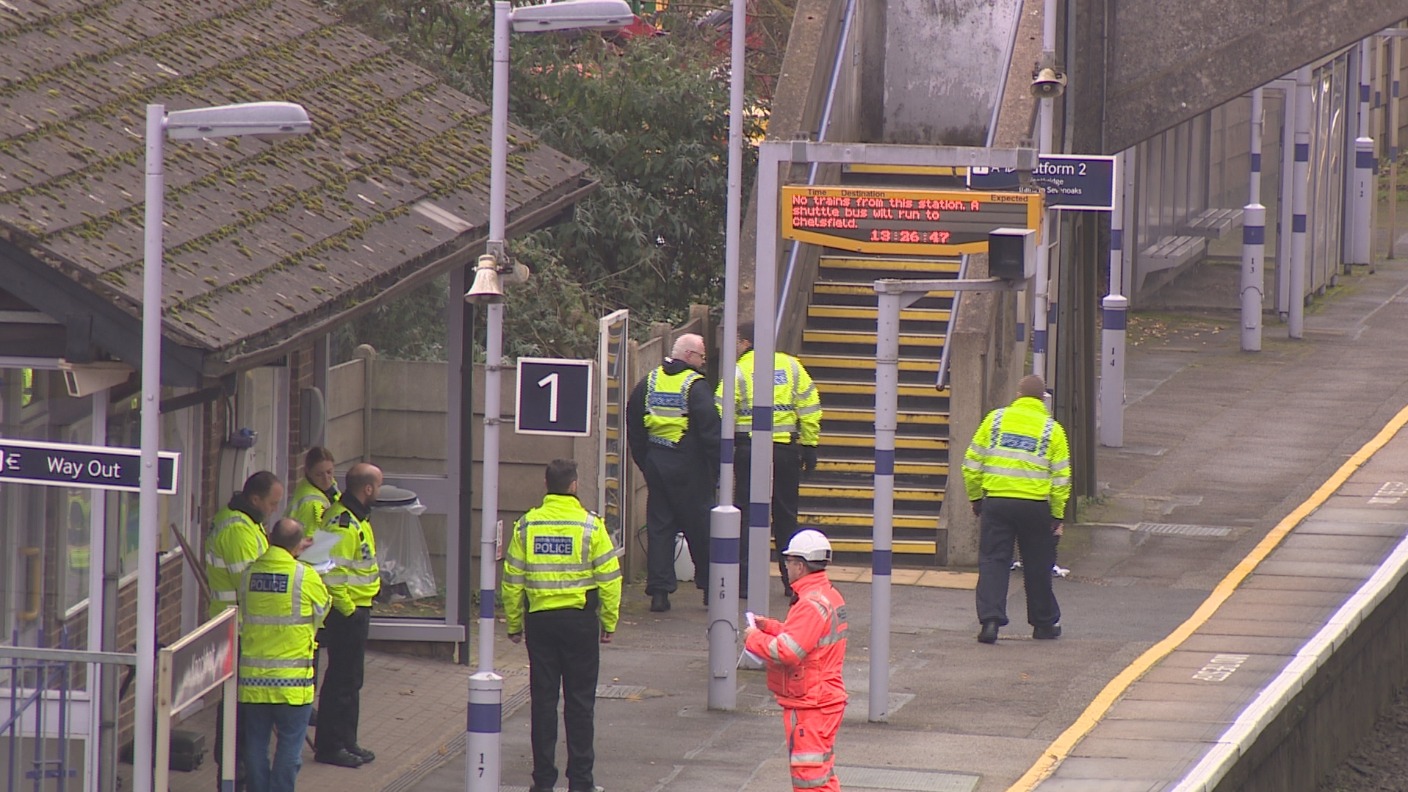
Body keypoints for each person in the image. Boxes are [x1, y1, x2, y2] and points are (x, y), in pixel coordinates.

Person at [501, 459, 622, 792]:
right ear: (574, 485)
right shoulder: (590, 526)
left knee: (543, 701)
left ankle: (542, 782)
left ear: (546, 484)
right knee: (580, 702)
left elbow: (512, 580)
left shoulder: (526, 526)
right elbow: (610, 579)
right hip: (579, 622)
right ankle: (581, 782)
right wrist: (608, 622)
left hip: (539, 621)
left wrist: (514, 623)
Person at [963, 374, 1071, 644]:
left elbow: (971, 464)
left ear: (1018, 395)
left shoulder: (995, 420)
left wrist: (977, 499)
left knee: (993, 561)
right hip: (1035, 506)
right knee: (1038, 565)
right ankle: (1043, 624)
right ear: (1042, 400)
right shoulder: (1052, 429)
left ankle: (990, 622)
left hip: (997, 502)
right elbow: (1060, 478)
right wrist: (1057, 514)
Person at [718, 321, 822, 596]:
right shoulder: (791, 367)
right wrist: (810, 445)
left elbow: (720, 410)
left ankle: (744, 581)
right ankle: (793, 582)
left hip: (748, 451)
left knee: (748, 515)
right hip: (785, 452)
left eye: (736, 341)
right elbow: (809, 407)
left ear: (745, 342)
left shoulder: (738, 370)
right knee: (786, 516)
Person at [742, 529, 848, 792]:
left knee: (810, 780)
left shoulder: (809, 604)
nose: (786, 568)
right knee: (822, 776)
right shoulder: (827, 595)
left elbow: (789, 652)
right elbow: (806, 639)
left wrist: (753, 638)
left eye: (789, 563)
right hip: (822, 700)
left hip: (811, 704)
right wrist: (772, 627)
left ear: (800, 566)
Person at [626, 333, 720, 612]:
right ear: (690, 356)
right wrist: (718, 469)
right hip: (690, 468)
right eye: (702, 357)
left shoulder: (650, 381)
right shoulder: (696, 386)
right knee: (700, 527)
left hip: (657, 462)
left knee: (660, 527)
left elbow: (634, 426)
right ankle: (709, 588)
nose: (703, 362)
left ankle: (659, 592)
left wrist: (646, 461)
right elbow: (710, 432)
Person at [206, 471, 284, 790]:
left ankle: (238, 771)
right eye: (272, 503)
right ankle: (233, 774)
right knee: (237, 710)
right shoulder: (238, 531)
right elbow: (252, 584)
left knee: (240, 708)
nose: (274, 510)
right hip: (236, 629)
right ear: (255, 500)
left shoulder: (248, 523)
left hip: (240, 627)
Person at [238, 517, 329, 792]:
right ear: (299, 546)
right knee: (289, 749)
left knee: (255, 746)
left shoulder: (249, 574)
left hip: (253, 682)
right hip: (293, 683)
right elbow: (323, 608)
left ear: (268, 537)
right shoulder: (305, 576)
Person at [314, 462, 382, 768]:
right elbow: (330, 572)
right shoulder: (342, 522)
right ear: (367, 488)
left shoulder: (356, 518)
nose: (379, 491)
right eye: (378, 486)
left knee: (352, 679)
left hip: (356, 609)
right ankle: (330, 746)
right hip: (347, 613)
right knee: (341, 680)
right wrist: (349, 609)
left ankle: (346, 739)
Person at [289, 447, 339, 536]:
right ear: (308, 472)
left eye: (329, 472)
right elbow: (310, 541)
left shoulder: (330, 488)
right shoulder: (311, 504)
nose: (326, 479)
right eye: (319, 475)